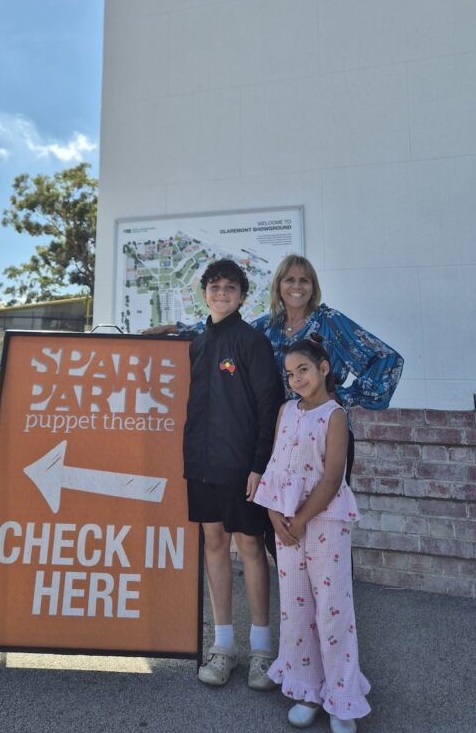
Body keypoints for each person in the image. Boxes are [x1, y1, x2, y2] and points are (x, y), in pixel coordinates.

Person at [147, 254, 404, 481]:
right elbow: (224, 331)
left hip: (322, 429)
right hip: (282, 431)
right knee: (281, 509)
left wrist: (343, 396)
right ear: (279, 286)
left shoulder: (330, 322)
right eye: (289, 280)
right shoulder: (269, 325)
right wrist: (175, 329)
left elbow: (387, 359)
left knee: (320, 509)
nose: (296, 286)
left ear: (313, 287)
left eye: (304, 281)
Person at [254, 336, 370, 733]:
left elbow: (333, 477)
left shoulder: (334, 415)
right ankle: (307, 690)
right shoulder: (286, 411)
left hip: (323, 523)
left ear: (323, 367)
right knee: (295, 609)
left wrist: (302, 519)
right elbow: (275, 465)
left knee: (333, 612)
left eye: (303, 369)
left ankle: (342, 697)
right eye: (290, 374)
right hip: (285, 524)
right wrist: (273, 513)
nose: (296, 379)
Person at [183, 258, 284, 690]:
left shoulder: (251, 342)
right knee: (214, 544)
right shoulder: (198, 343)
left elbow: (269, 407)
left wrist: (259, 465)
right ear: (204, 293)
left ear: (242, 296)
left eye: (230, 287)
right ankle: (223, 646)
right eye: (214, 286)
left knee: (251, 546)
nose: (221, 293)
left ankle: (262, 650)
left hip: (241, 468)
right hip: (201, 465)